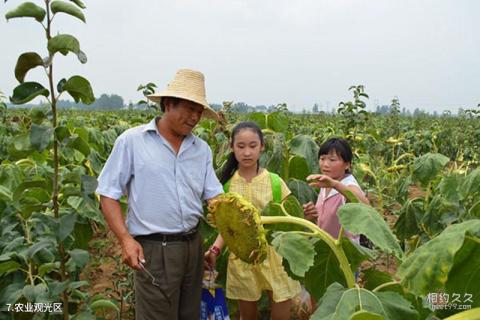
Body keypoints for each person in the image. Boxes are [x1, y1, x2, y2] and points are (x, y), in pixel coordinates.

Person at [96, 69, 224, 320]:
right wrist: (125, 240)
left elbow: (215, 198)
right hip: (155, 249)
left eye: (199, 111)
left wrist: (240, 222)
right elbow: (108, 194)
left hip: (192, 246)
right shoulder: (132, 141)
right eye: (189, 108)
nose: (195, 117)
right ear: (167, 103)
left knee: (190, 314)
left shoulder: (202, 150)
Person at [205, 122, 301, 320]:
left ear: (262, 146)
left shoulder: (275, 182)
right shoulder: (227, 187)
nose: (247, 152)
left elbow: (290, 219)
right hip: (242, 258)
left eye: (252, 146)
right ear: (231, 147)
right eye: (241, 146)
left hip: (276, 257)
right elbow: (227, 228)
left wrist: (308, 216)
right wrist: (214, 250)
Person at [302, 138, 369, 242]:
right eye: (322, 158)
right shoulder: (326, 181)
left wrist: (335, 185)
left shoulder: (348, 184)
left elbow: (365, 205)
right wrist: (313, 215)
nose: (325, 164)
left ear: (347, 164)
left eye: (332, 160)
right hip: (327, 248)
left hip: (345, 252)